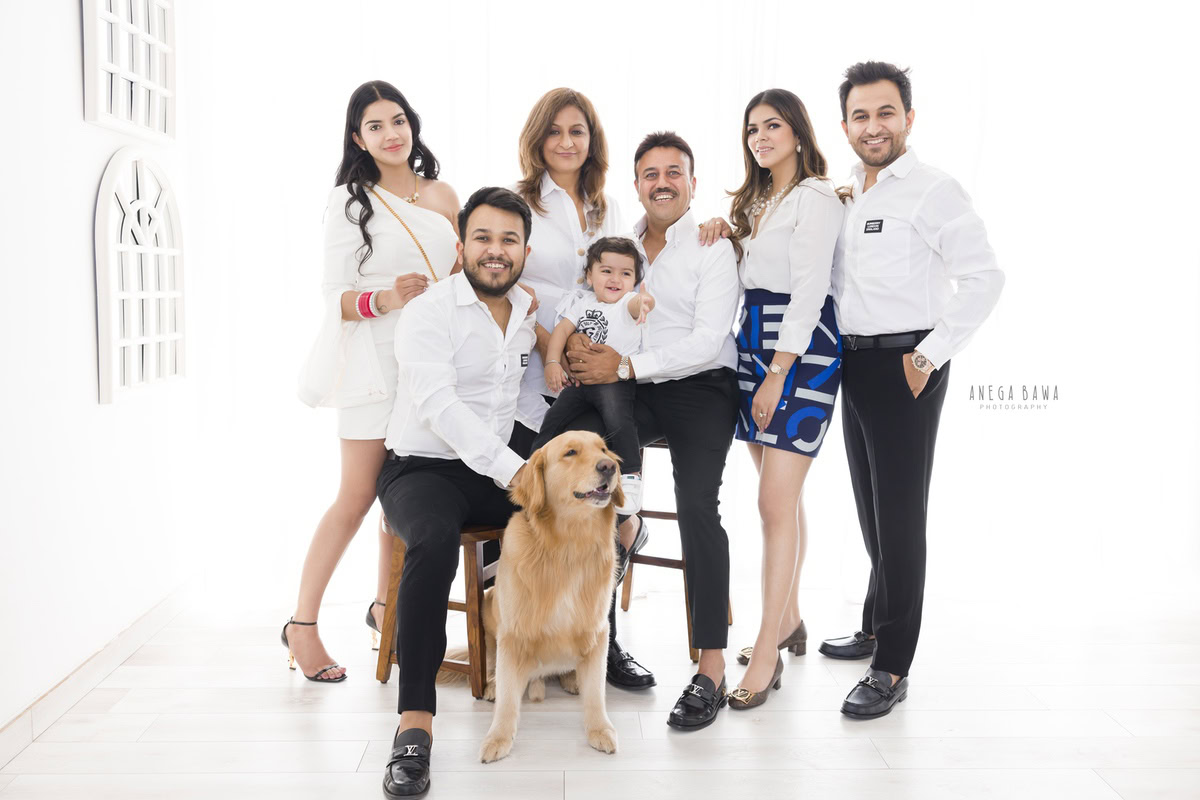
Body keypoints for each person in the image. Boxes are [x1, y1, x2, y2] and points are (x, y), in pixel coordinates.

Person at [822, 62, 1004, 718]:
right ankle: (875, 622)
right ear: (845, 125)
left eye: (885, 113)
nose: (874, 127)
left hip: (908, 366)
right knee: (871, 508)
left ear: (908, 118)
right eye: (861, 116)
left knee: (900, 518)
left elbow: (984, 278)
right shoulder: (847, 193)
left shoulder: (932, 190)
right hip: (854, 364)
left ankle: (892, 665)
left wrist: (927, 357)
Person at [541, 131, 741, 730]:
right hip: (636, 391)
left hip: (702, 385)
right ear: (636, 185)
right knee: (573, 436)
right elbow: (589, 304)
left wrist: (623, 365)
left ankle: (710, 667)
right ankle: (600, 640)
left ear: (692, 183)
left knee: (699, 507)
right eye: (650, 173)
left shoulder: (710, 245)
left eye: (673, 172)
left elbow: (707, 339)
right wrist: (578, 344)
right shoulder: (621, 247)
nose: (662, 182)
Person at [287, 80, 459, 682]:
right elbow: (331, 298)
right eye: (376, 125)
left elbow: (461, 273)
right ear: (358, 138)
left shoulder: (440, 193)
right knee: (358, 495)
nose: (391, 133)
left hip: (434, 361)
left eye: (398, 120)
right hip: (374, 360)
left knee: (406, 494)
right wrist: (384, 298)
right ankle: (302, 627)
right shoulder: (348, 201)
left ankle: (388, 611)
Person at [376, 187, 538, 798]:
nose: (496, 251)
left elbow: (519, 401)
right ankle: (414, 727)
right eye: (484, 238)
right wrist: (513, 469)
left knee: (581, 511)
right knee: (437, 540)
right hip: (421, 469)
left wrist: (550, 467)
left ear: (525, 248)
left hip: (489, 470)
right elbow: (438, 405)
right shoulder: (430, 311)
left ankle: (570, 658)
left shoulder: (525, 309)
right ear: (462, 243)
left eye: (509, 240)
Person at [697, 88, 845, 710]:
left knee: (771, 502)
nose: (761, 137)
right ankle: (789, 619)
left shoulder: (816, 197)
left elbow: (810, 288)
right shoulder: (760, 200)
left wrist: (781, 371)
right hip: (751, 342)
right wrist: (721, 231)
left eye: (774, 125)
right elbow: (749, 268)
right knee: (782, 500)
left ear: (799, 132)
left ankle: (766, 648)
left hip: (798, 347)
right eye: (752, 128)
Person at [511, 88, 653, 689]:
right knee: (539, 510)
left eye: (579, 131)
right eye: (556, 131)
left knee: (599, 512)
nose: (567, 142)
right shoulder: (519, 203)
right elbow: (510, 283)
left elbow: (629, 273)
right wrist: (557, 345)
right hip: (533, 374)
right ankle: (528, 647)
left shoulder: (608, 206)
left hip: (597, 381)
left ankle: (601, 646)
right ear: (538, 138)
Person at [540, 237, 654, 514]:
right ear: (589, 276)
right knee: (553, 419)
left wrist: (644, 301)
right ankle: (534, 466)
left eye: (625, 274)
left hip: (613, 383)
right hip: (579, 383)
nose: (616, 279)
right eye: (606, 271)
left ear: (634, 280)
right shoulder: (581, 303)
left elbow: (638, 304)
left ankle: (630, 474)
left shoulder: (626, 302)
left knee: (619, 421)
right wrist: (552, 362)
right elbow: (561, 332)